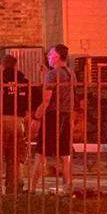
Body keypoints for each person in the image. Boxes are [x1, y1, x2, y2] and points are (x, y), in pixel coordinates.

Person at [29, 44, 76, 194]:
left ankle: (31, 188)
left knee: (40, 153)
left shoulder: (52, 74)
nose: (48, 57)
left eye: (50, 54)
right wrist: (46, 75)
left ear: (56, 56)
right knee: (65, 154)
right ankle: (67, 186)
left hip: (52, 117)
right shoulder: (71, 73)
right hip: (66, 115)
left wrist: (37, 116)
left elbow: (47, 99)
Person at [0, 54, 29, 194]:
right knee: (15, 157)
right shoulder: (23, 82)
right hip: (17, 121)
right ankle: (14, 188)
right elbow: (30, 103)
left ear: (1, 66)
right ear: (16, 66)